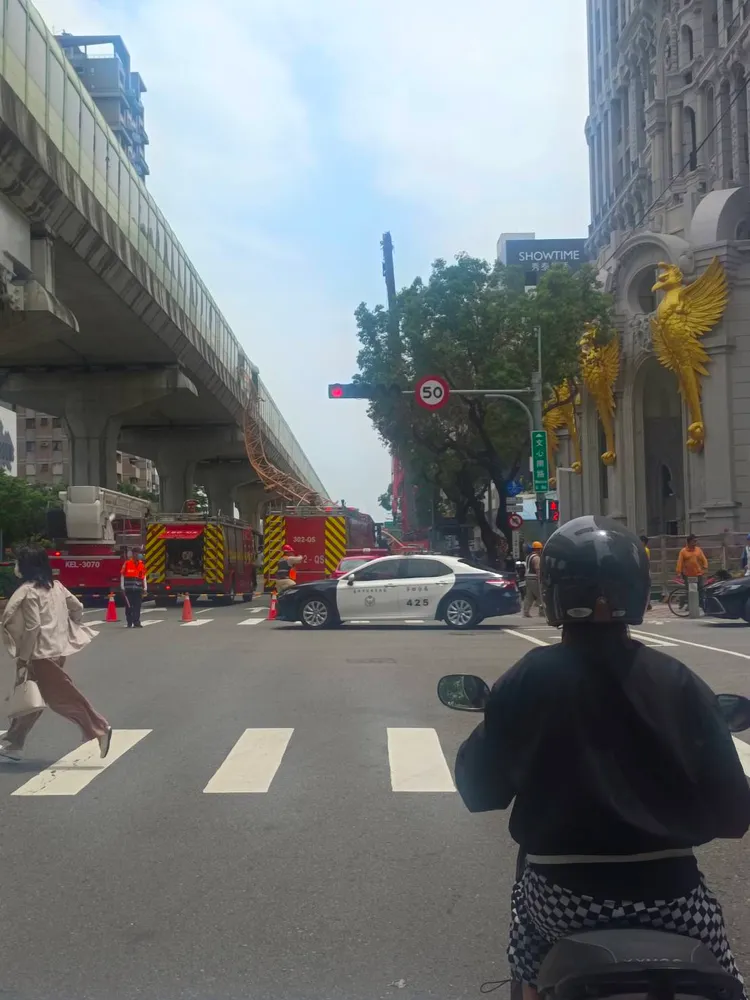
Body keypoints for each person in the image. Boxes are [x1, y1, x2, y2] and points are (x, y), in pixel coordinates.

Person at [454, 516, 750, 1000]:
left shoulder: (528, 679)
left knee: (526, 960)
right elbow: (736, 813)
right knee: (726, 982)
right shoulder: (677, 680)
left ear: (551, 593)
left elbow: (478, 791)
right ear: (635, 591)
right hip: (672, 895)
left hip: (561, 896)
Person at [0, 545, 112, 763]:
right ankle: (14, 743)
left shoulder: (29, 592)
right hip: (56, 651)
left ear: (26, 566)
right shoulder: (56, 587)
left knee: (60, 697)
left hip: (39, 654)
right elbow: (77, 607)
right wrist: (66, 628)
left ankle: (100, 728)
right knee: (30, 696)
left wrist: (23, 658)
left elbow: (32, 628)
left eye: (17, 562)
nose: (15, 567)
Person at [121, 547, 147, 628]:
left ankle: (136, 622)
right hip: (128, 589)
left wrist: (145, 588)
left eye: (140, 553)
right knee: (129, 607)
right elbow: (122, 575)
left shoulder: (141, 564)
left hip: (138, 589)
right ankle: (129, 622)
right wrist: (122, 587)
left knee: (137, 606)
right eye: (137, 553)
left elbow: (144, 577)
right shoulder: (127, 563)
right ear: (133, 554)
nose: (139, 555)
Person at [676, 533, 708, 598]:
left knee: (701, 589)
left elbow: (704, 559)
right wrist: (678, 572)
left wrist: (705, 566)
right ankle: (689, 605)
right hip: (687, 575)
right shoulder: (683, 551)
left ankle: (701, 604)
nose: (695, 543)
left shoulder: (698, 550)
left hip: (698, 574)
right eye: (694, 541)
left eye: (696, 541)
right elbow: (680, 562)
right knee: (690, 591)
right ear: (689, 542)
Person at [522, 541, 544, 617]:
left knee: (529, 596)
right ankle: (542, 612)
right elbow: (538, 569)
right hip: (534, 579)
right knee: (541, 596)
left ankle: (526, 612)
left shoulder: (528, 556)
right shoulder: (536, 558)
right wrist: (540, 579)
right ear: (538, 549)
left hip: (527, 578)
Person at [640, 534, 652, 610]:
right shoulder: (641, 549)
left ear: (644, 542)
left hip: (645, 570)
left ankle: (647, 604)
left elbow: (646, 561)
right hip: (643, 570)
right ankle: (647, 604)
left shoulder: (645, 550)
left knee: (646, 587)